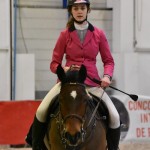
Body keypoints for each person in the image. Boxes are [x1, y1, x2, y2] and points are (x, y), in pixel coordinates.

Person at [26, 0, 120, 150]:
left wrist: (107, 76)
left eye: (82, 8)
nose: (79, 11)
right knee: (41, 110)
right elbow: (54, 63)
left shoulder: (98, 34)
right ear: (71, 11)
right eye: (76, 8)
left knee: (114, 115)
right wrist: (64, 69)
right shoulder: (64, 35)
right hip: (67, 83)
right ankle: (37, 146)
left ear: (88, 10)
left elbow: (108, 61)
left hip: (91, 83)